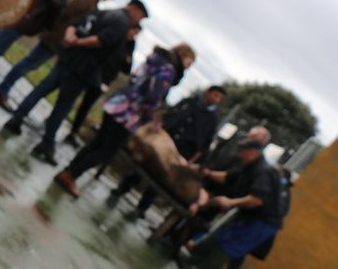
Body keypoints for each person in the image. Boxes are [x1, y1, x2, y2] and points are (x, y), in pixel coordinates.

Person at [1, 0, 149, 165]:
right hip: (83, 68)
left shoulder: (105, 12)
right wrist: (78, 42)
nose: (138, 21)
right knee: (63, 106)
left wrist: (70, 38)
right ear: (134, 9)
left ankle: (17, 118)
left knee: (42, 89)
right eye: (140, 16)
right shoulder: (121, 23)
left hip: (69, 57)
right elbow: (100, 41)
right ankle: (47, 143)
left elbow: (77, 23)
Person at [53, 42, 196, 198]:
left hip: (118, 103)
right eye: (190, 61)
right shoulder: (168, 70)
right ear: (183, 55)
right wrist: (150, 117)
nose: (189, 67)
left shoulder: (155, 59)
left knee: (98, 142)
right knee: (106, 151)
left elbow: (135, 78)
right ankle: (71, 175)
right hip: (130, 114)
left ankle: (68, 171)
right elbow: (153, 95)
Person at [0, 0, 119, 107]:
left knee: (28, 64)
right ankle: (2, 89)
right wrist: (61, 32)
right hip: (55, 38)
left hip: (56, 37)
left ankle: (2, 88)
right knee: (28, 64)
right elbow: (65, 11)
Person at [108, 84, 225, 217]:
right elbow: (170, 114)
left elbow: (204, 146)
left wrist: (190, 162)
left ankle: (141, 208)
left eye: (219, 98)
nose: (216, 99)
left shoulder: (213, 120)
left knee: (163, 177)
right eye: (215, 95)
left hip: (181, 152)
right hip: (163, 142)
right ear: (208, 92)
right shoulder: (190, 102)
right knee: (144, 163)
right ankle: (121, 189)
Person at [180, 138, 286, 269]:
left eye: (243, 151)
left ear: (253, 152)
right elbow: (228, 177)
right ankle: (191, 263)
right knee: (218, 239)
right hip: (248, 217)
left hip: (262, 222)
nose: (239, 154)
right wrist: (207, 173)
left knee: (227, 247)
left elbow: (256, 200)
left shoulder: (263, 171)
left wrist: (230, 202)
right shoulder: (249, 168)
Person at [64, 24, 140, 148]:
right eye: (133, 32)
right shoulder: (118, 36)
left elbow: (127, 68)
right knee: (71, 95)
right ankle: (56, 118)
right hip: (93, 72)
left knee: (86, 105)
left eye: (136, 34)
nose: (133, 36)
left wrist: (128, 60)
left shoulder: (130, 45)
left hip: (105, 79)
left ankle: (73, 131)